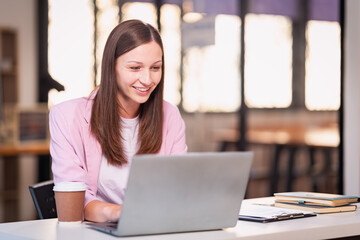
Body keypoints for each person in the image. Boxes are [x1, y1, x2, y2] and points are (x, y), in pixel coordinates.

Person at [49, 19, 187, 223]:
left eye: (155, 68)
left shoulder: (170, 115)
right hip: (100, 231)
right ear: (111, 66)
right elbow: (75, 199)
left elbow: (179, 187)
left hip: (157, 227)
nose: (147, 80)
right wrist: (120, 213)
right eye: (134, 68)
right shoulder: (67, 116)